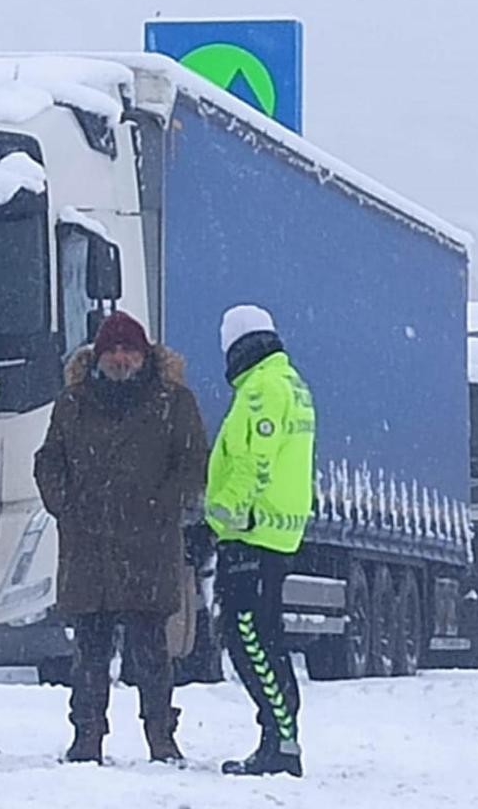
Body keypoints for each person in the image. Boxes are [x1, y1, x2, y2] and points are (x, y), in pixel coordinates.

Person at [33, 311, 208, 765]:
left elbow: (192, 465)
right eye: (112, 349)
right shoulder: (72, 403)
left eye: (129, 349)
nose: (121, 358)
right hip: (87, 547)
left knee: (152, 652)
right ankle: (86, 737)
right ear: (98, 355)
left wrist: (162, 506)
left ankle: (161, 737)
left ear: (144, 354)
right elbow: (49, 460)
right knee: (89, 653)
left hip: (148, 547)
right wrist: (65, 506)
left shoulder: (174, 402)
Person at [206, 304, 316, 778]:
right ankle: (280, 738)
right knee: (266, 636)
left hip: (251, 531)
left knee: (247, 635)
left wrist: (223, 513)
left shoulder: (261, 389)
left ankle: (280, 741)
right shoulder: (287, 381)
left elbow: (255, 458)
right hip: (272, 531)